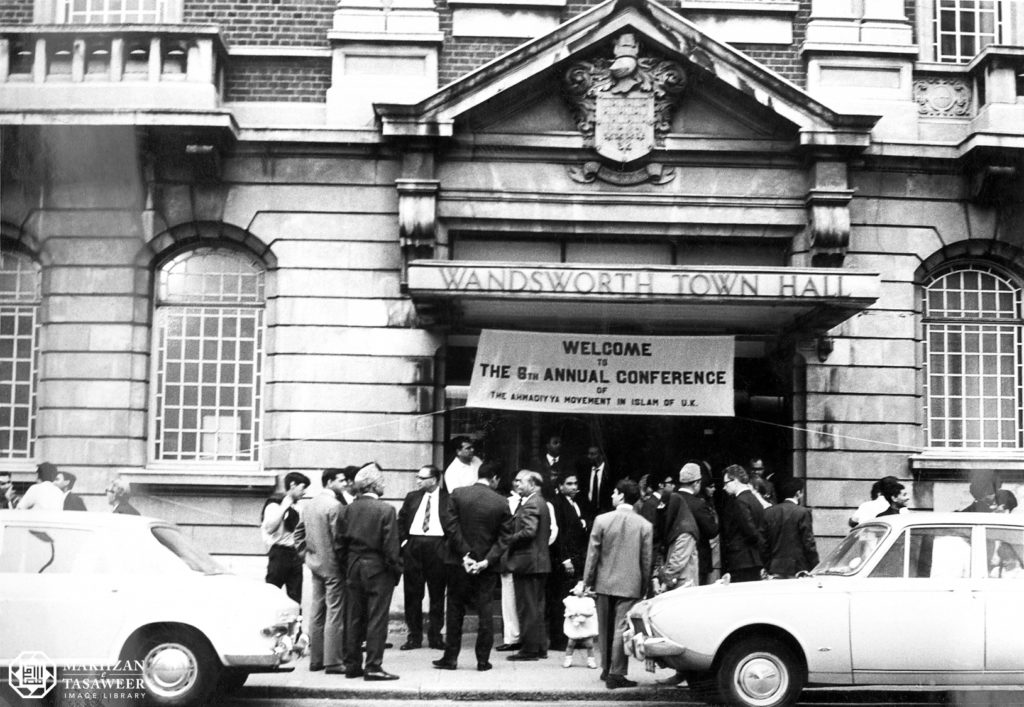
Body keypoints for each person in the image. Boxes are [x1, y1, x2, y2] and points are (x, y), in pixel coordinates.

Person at [433, 461, 512, 671]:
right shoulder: (502, 502)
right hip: (486, 566)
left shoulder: (458, 494)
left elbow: (450, 526)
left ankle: (450, 658)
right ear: (494, 478)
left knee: (455, 609)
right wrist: (486, 560)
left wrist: (465, 554)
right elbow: (504, 538)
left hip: (458, 562)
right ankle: (482, 660)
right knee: (485, 611)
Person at [578, 479, 652, 689]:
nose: (611, 496)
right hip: (630, 584)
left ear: (621, 495)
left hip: (604, 582)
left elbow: (592, 556)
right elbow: (646, 561)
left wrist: (587, 582)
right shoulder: (644, 525)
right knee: (621, 628)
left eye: (613, 492)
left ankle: (606, 669)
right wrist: (644, 587)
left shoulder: (601, 520)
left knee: (605, 628)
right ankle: (616, 672)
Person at [335, 463, 402, 681]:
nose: (384, 484)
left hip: (354, 566)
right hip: (378, 568)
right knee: (376, 619)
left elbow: (339, 545)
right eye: (381, 480)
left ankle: (352, 664)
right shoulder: (386, 510)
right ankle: (373, 666)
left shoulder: (347, 509)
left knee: (353, 617)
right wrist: (396, 570)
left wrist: (349, 565)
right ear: (373, 484)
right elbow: (391, 548)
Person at [294, 468, 346, 673]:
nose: (343, 484)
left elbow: (298, 534)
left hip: (315, 563)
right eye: (340, 481)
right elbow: (339, 540)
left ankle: (316, 660)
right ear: (330, 481)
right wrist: (343, 564)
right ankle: (332, 661)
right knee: (334, 612)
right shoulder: (335, 506)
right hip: (333, 565)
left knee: (317, 611)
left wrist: (306, 556)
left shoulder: (310, 504)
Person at [397, 464, 449, 651]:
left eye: (421, 477)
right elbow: (401, 520)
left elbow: (453, 524)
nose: (417, 480)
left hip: (437, 547)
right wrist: (404, 543)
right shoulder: (412, 497)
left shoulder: (448, 498)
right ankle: (414, 636)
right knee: (412, 594)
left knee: (437, 594)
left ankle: (435, 636)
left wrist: (446, 547)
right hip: (414, 546)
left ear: (434, 480)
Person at [504, 469, 551, 661]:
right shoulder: (540, 502)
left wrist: (509, 538)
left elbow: (529, 532)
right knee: (536, 606)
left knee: (527, 607)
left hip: (528, 563)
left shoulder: (531, 503)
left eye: (521, 482)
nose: (517, 485)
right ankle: (539, 647)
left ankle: (530, 650)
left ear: (532, 484)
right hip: (538, 562)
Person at [547, 472, 589, 652]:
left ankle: (572, 636)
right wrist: (565, 559)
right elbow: (558, 535)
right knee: (560, 599)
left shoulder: (575, 503)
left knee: (571, 597)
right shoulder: (557, 504)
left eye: (575, 483)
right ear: (560, 486)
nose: (573, 487)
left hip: (575, 556)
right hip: (563, 559)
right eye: (569, 483)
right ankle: (558, 639)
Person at [261, 471, 310, 603]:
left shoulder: (299, 507)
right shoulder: (274, 505)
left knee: (295, 597)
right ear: (292, 485)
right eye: (302, 487)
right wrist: (284, 508)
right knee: (272, 593)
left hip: (295, 555)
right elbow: (270, 528)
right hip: (279, 553)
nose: (304, 492)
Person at [762, 478, 819, 578]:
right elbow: (808, 543)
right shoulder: (803, 512)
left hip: (775, 567)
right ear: (798, 493)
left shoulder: (768, 512)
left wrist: (767, 566)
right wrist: (816, 565)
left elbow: (764, 544)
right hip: (798, 568)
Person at [720, 464, 765, 583]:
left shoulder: (740, 502)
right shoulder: (754, 499)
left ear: (735, 480)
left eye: (726, 483)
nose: (724, 487)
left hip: (742, 560)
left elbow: (750, 531)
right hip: (754, 558)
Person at [678, 462, 718, 585]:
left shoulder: (670, 500)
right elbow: (712, 531)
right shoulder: (698, 504)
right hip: (697, 559)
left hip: (674, 559)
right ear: (696, 483)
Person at [562, 589, 598, 669]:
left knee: (589, 644)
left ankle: (591, 660)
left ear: (585, 592)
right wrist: (572, 616)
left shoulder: (589, 601)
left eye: (580, 586)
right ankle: (568, 659)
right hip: (574, 624)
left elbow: (591, 612)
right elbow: (567, 611)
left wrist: (580, 613)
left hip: (586, 625)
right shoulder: (570, 600)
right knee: (570, 643)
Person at [580, 445, 615, 517]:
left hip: (606, 511)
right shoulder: (585, 471)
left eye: (593, 454)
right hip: (589, 512)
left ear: (601, 455)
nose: (589, 457)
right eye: (588, 454)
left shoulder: (610, 472)